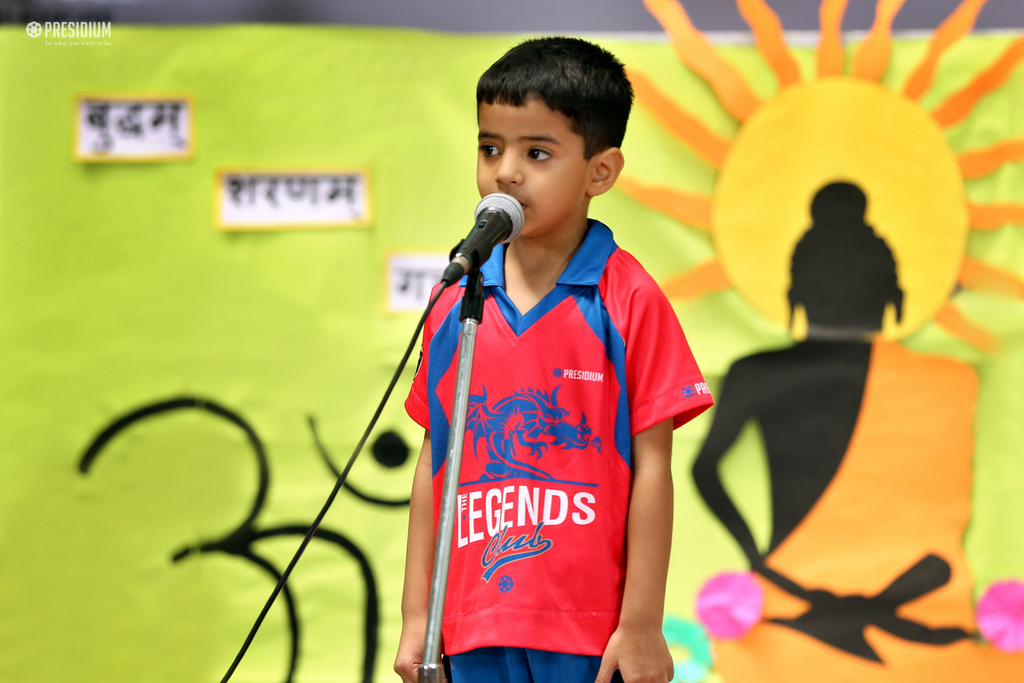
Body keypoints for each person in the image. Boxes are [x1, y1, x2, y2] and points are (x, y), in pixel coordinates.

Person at [394, 37, 713, 683]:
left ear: (600, 171)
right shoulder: (457, 298)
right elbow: (437, 460)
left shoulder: (628, 298)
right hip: (469, 630)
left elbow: (654, 466)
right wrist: (415, 617)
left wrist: (642, 623)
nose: (506, 172)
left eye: (536, 153)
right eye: (490, 148)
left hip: (586, 637)